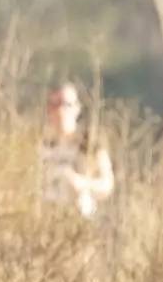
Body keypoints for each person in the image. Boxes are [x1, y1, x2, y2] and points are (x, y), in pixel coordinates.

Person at [40, 83, 114, 218]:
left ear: (77, 109)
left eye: (67, 105)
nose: (61, 110)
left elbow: (107, 184)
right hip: (46, 219)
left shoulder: (90, 142)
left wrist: (81, 183)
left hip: (80, 220)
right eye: (55, 104)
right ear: (48, 109)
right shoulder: (41, 145)